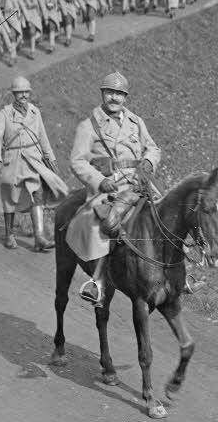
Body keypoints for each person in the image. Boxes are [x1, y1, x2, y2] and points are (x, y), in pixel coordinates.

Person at [67, 71, 161, 305]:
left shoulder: (136, 122)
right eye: (110, 92)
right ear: (102, 93)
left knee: (167, 215)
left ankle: (177, 275)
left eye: (119, 94)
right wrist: (99, 181)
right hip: (108, 187)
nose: (114, 98)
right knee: (106, 223)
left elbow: (153, 148)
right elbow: (77, 161)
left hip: (138, 183)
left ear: (125, 97)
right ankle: (97, 282)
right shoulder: (88, 126)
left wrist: (148, 161)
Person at [0, 77, 67, 252]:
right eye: (19, 92)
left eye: (26, 92)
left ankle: (39, 237)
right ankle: (9, 234)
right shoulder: (4, 114)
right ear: (13, 94)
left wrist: (51, 158)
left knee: (36, 195)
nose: (23, 95)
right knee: (10, 197)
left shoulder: (34, 112)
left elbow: (42, 137)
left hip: (33, 160)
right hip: (13, 160)